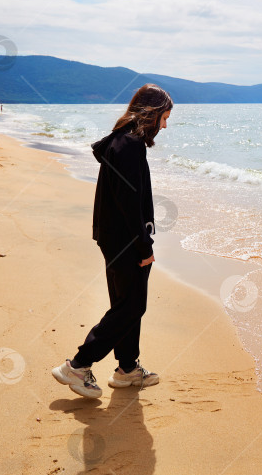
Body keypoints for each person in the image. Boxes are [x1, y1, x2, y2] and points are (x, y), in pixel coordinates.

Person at [52, 84, 173, 399]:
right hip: (125, 240)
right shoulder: (130, 146)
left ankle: (128, 369)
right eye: (164, 117)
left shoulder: (121, 142)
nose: (164, 125)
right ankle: (77, 366)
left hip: (113, 237)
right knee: (132, 306)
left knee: (125, 305)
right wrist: (144, 246)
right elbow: (129, 202)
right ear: (151, 113)